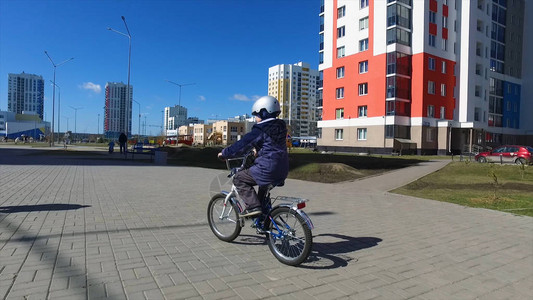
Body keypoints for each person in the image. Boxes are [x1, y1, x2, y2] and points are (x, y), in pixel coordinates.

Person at [217, 96, 289, 217]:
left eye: (256, 115)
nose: (255, 118)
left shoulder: (261, 129)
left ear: (264, 112)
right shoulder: (280, 127)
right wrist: (259, 150)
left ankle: (253, 207)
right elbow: (272, 145)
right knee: (263, 187)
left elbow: (242, 145)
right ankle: (265, 219)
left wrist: (224, 153)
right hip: (282, 168)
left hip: (267, 169)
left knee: (239, 178)